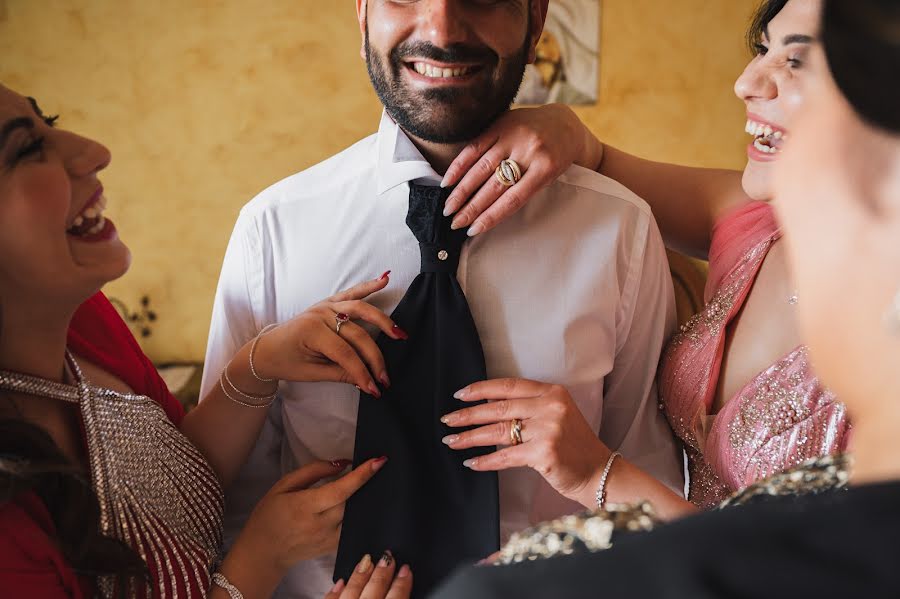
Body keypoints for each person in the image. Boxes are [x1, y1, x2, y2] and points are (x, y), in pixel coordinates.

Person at [203, 0, 684, 596]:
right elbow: (218, 511)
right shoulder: (271, 231)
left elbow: (650, 494)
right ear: (363, 17)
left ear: (535, 22)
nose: (441, 30)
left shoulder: (621, 230)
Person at [433, 0, 900, 595]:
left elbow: (833, 566)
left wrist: (599, 474)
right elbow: (595, 156)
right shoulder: (754, 219)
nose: (746, 83)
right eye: (763, 50)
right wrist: (561, 124)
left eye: (798, 61)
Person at [0, 84, 411, 598]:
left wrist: (259, 363)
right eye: (26, 149)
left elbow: (171, 492)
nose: (94, 152)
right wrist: (262, 555)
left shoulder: (83, 318)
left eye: (49, 120)